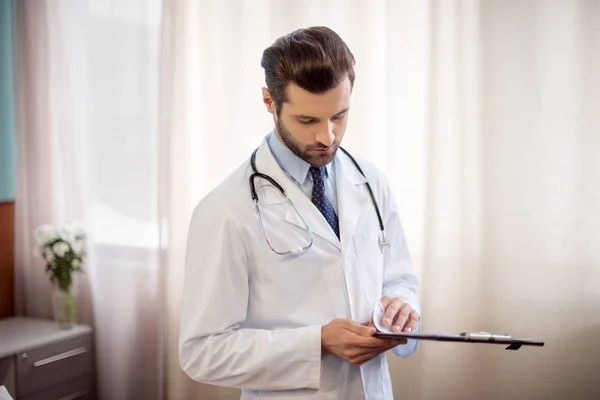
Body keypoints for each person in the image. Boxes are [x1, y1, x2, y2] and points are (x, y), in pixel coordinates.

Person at [179, 26, 421, 400]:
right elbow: (202, 352)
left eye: (339, 116)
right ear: (269, 102)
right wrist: (317, 343)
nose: (328, 137)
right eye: (308, 121)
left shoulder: (371, 182)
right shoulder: (224, 210)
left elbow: (400, 279)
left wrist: (401, 310)